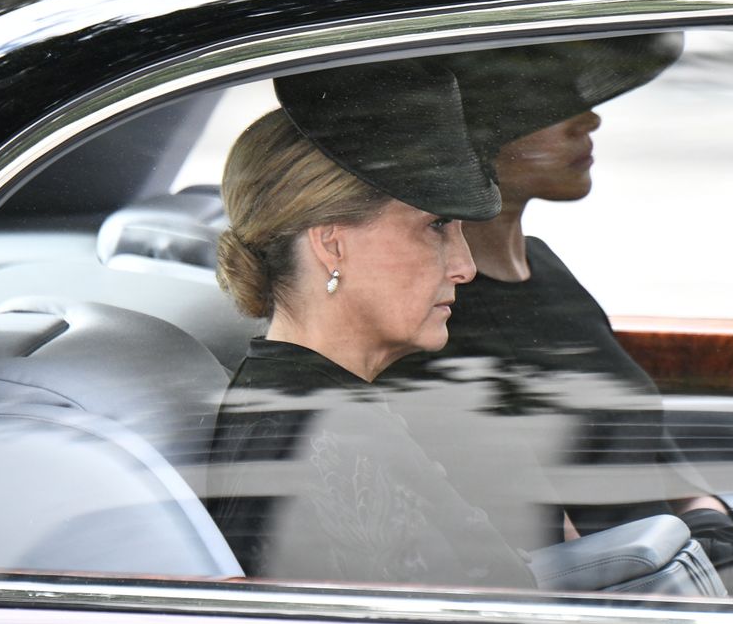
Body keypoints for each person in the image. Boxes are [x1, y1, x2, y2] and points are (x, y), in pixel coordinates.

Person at [381, 36, 733, 595]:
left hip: (696, 564)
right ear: (470, 138)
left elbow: (654, 454)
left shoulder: (544, 266)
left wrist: (714, 530)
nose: (590, 119)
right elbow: (563, 554)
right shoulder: (439, 321)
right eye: (547, 105)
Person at [206, 60, 537, 587]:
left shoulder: (308, 403)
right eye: (436, 226)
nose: (465, 266)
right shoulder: (326, 434)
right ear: (331, 244)